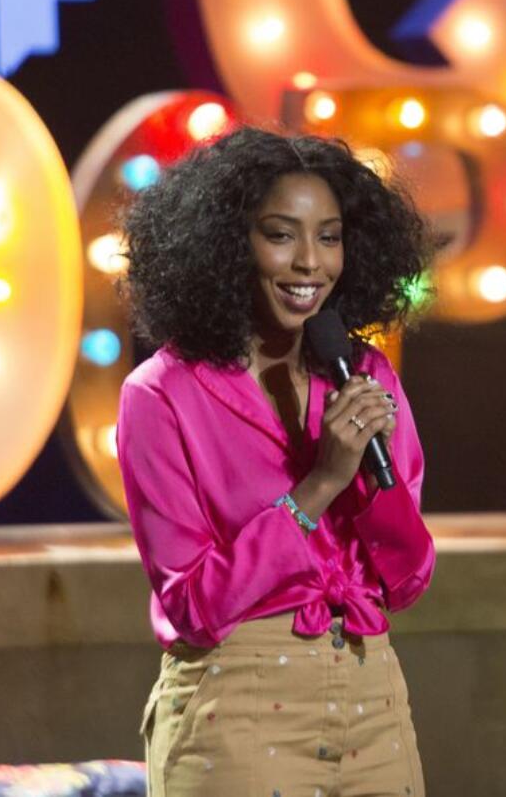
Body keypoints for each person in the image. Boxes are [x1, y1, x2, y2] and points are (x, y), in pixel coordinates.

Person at [117, 126, 435, 797]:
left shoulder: (364, 372)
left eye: (329, 236)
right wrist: (319, 484)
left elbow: (407, 580)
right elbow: (194, 603)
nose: (309, 264)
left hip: (372, 697)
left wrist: (367, 484)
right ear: (230, 245)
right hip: (236, 708)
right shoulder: (161, 394)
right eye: (281, 234)